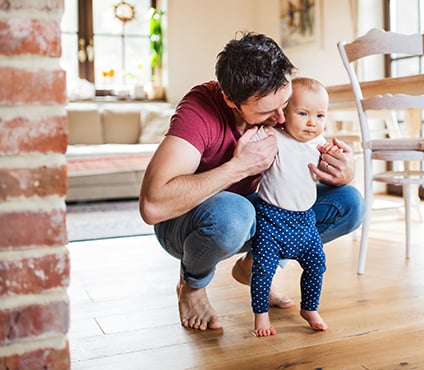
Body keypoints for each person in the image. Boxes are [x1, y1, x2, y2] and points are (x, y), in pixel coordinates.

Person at [139, 31, 364, 332]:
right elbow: (153, 206)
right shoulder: (199, 111)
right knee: (235, 214)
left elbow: (306, 163)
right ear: (230, 99)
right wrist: (238, 167)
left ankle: (255, 266)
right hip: (186, 223)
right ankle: (191, 285)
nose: (282, 119)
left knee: (349, 203)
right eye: (268, 111)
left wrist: (342, 172)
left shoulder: (283, 111)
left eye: (284, 105)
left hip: (255, 212)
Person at [250, 77, 339, 336]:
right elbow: (254, 134)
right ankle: (261, 316)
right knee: (264, 269)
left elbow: (326, 172)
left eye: (320, 115)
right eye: (303, 113)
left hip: (305, 222)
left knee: (316, 265)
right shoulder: (273, 136)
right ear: (283, 113)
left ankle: (309, 307)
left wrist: (333, 159)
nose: (312, 122)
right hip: (272, 220)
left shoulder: (318, 145)